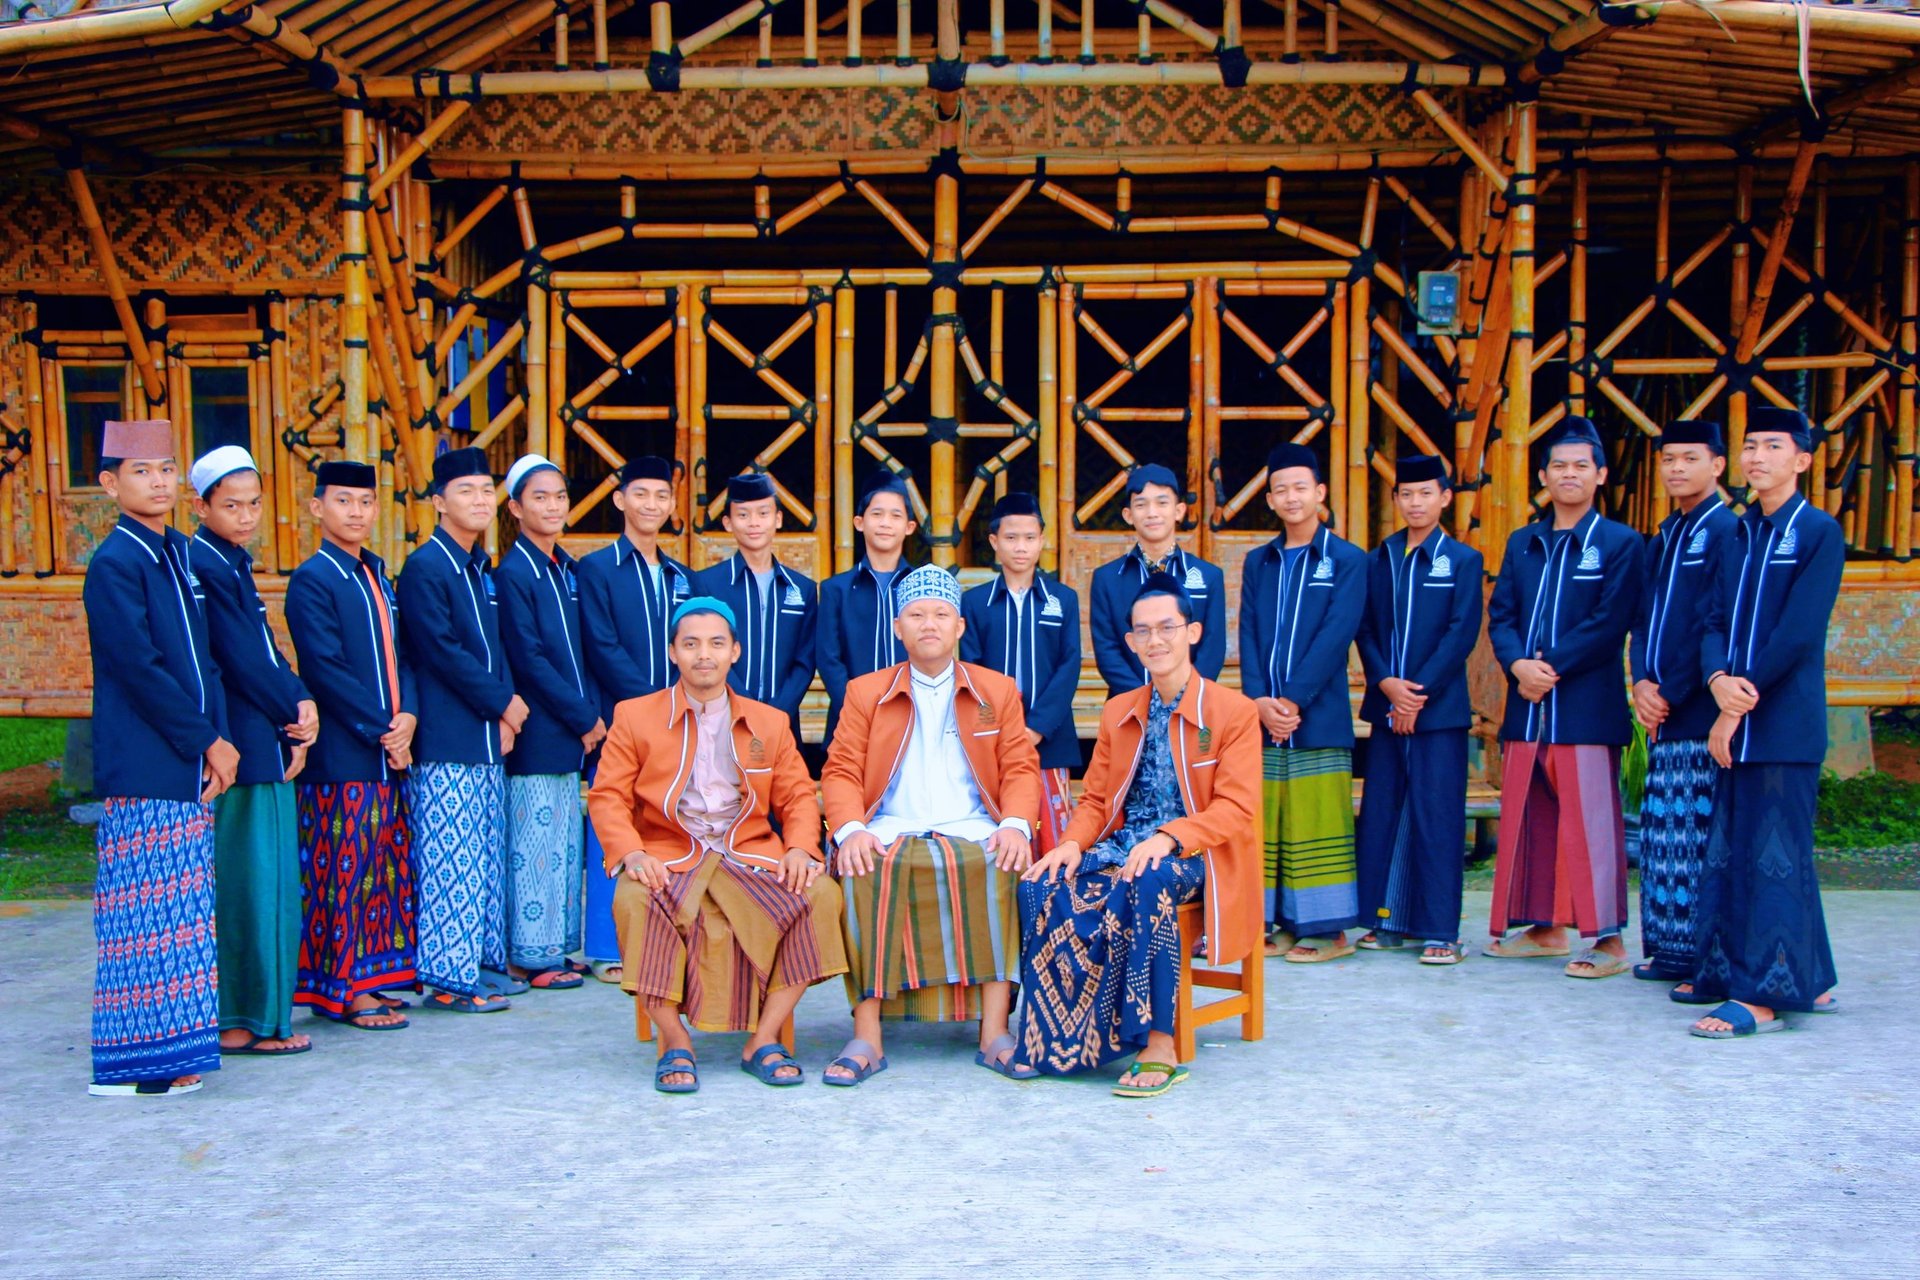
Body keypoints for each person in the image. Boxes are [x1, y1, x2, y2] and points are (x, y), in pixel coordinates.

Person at [587, 598, 847, 1092]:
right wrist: (632, 852)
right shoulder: (635, 716)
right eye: (690, 644)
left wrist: (799, 849)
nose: (703, 655)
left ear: (735, 653)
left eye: (715, 644)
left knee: (821, 895)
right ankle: (674, 1039)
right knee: (633, 897)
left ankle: (764, 1038)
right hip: (669, 854)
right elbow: (607, 796)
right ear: (672, 653)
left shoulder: (768, 722)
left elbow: (796, 796)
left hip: (748, 854)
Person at [1017, 573, 1262, 1096]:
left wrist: (1170, 837)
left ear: (1192, 632)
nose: (1156, 640)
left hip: (1200, 855)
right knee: (1039, 883)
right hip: (1127, 848)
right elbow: (1097, 802)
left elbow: (1237, 808)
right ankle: (1058, 1037)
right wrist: (1068, 844)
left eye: (1167, 627)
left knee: (1145, 880)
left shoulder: (1233, 713)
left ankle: (1158, 1042)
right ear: (1129, 641)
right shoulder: (1119, 711)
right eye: (1143, 631)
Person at [819, 564, 1042, 1085]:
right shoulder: (864, 691)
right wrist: (850, 830)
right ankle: (867, 1034)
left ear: (960, 626)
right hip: (889, 825)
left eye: (941, 614)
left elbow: (1019, 768)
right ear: (898, 627)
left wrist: (1013, 824)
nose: (929, 624)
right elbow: (841, 769)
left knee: (1000, 861)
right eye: (916, 615)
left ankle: (994, 1031)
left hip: (973, 825)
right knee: (861, 864)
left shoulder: (997, 689)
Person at [82, 419, 237, 1097]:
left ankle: (175, 1053)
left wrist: (217, 740)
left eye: (168, 469)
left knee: (181, 920)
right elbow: (139, 669)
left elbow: (206, 661)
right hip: (147, 761)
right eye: (142, 471)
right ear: (110, 483)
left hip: (191, 761)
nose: (159, 482)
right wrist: (207, 740)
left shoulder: (176, 551)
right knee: (140, 920)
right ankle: (126, 1068)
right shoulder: (113, 562)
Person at [1685, 405, 1842, 1039]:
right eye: (1750, 446)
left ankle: (1764, 996)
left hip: (1783, 723)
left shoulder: (1818, 532)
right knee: (1737, 851)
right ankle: (1812, 978)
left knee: (1774, 858)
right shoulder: (1737, 533)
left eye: (1772, 447)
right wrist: (1717, 679)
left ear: (1801, 461)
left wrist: (1737, 700)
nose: (1756, 458)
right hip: (1735, 714)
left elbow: (1799, 633)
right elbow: (1712, 618)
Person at [1485, 416, 1646, 978]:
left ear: (1600, 475)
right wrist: (1516, 665)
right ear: (1544, 476)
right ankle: (1544, 926)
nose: (1569, 475)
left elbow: (1610, 622)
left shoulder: (1621, 543)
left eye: (1581, 466)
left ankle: (1608, 939)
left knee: (1592, 824)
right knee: (1533, 820)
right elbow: (1501, 613)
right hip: (1528, 710)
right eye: (1559, 466)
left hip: (1583, 707)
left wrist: (1547, 667)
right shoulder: (1523, 542)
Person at [186, 445, 320, 1058]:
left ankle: (265, 1015)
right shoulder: (203, 563)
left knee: (268, 882)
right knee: (244, 882)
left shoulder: (232, 561)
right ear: (202, 506)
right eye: (231, 505)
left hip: (264, 738)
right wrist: (293, 706)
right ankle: (239, 1017)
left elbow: (267, 648)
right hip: (238, 743)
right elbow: (240, 657)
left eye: (253, 504)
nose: (245, 516)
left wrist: (299, 699)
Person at [285, 459, 419, 1031]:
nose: (356, 513)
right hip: (342, 755)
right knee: (342, 873)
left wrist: (409, 713)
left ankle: (375, 979)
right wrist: (384, 729)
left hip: (387, 752)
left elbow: (404, 655)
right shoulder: (313, 578)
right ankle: (342, 990)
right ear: (318, 508)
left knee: (383, 870)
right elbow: (325, 668)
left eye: (365, 503)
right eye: (343, 502)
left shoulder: (378, 576)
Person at [397, 446, 527, 1013]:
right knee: (450, 857)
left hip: (483, 736)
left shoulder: (476, 567)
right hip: (448, 735)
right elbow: (441, 651)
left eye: (484, 490)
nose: (478, 500)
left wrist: (501, 710)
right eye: (465, 491)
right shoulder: (427, 567)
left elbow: (493, 649)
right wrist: (503, 702)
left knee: (480, 856)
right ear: (438, 502)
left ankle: (476, 963)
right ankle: (448, 980)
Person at [1236, 442, 1367, 962]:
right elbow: (1247, 632)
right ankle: (1282, 923)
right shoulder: (1260, 562)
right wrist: (1259, 702)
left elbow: (1338, 634)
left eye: (1300, 488)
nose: (1291, 498)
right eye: (1281, 489)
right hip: (1264, 719)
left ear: (1320, 493)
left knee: (1317, 818)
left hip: (1319, 714)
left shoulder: (1346, 560)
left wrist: (1290, 701)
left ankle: (1328, 930)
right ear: (1269, 499)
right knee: (1271, 820)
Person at [1352, 454, 1484, 965]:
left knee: (1436, 816)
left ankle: (1440, 930)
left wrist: (1417, 692)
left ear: (1445, 497)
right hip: (1387, 709)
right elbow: (1363, 628)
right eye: (1406, 494)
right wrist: (1388, 685)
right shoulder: (1379, 558)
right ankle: (1386, 921)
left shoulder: (1462, 560)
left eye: (1426, 493)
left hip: (1439, 712)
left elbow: (1461, 633)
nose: (1415, 503)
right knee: (1384, 814)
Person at [577, 455, 695, 982]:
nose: (652, 505)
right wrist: (650, 708)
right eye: (641, 495)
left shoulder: (681, 576)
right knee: (616, 820)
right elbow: (601, 645)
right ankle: (607, 947)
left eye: (662, 497)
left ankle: (668, 936)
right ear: (620, 500)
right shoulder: (598, 568)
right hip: (625, 721)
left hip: (680, 723)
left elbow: (693, 647)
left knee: (670, 822)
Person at [1627, 420, 1736, 982]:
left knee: (1697, 840)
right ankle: (1669, 952)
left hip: (1697, 709)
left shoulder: (1727, 532)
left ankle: (1705, 958)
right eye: (1668, 459)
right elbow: (1644, 618)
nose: (1676, 469)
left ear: (1717, 465)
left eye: (1689, 458)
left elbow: (1711, 623)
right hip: (1660, 709)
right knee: (1663, 837)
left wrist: (1671, 689)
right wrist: (1641, 682)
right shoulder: (1666, 532)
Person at [496, 454, 604, 991]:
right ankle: (529, 956)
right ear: (516, 508)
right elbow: (530, 657)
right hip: (542, 726)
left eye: (559, 496)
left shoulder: (565, 567)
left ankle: (558, 946)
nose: (553, 506)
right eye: (540, 497)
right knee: (534, 843)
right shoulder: (513, 572)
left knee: (562, 840)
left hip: (569, 728)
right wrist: (583, 715)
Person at [960, 492, 1082, 850]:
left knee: (1053, 831)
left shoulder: (1062, 599)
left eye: (1030, 538)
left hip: (1051, 735)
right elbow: (972, 672)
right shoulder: (975, 602)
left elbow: (1068, 665)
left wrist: (1037, 728)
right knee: (1000, 829)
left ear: (1042, 541)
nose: (1021, 547)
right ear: (994, 542)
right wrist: (1000, 728)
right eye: (1011, 538)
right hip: (992, 735)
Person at [690, 472, 818, 747]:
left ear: (778, 519)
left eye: (763, 513)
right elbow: (707, 653)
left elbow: (804, 661)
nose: (754, 523)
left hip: (783, 725)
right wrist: (745, 708)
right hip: (720, 722)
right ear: (728, 522)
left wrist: (776, 714)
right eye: (743, 515)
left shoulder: (801, 588)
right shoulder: (708, 584)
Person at [1087, 463, 1226, 700]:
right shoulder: (1107, 578)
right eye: (1141, 504)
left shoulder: (1208, 576)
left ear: (1179, 510)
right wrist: (1145, 700)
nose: (1152, 513)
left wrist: (1181, 697)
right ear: (1128, 515)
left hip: (1192, 705)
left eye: (1162, 503)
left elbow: (1212, 649)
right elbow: (1107, 650)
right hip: (1128, 705)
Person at [817, 473, 918, 742]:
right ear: (859, 523)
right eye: (877, 514)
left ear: (909, 527)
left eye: (895, 516)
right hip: (849, 723)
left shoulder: (921, 588)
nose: (886, 523)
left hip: (914, 720)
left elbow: (934, 652)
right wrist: (857, 709)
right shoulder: (835, 589)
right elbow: (828, 659)